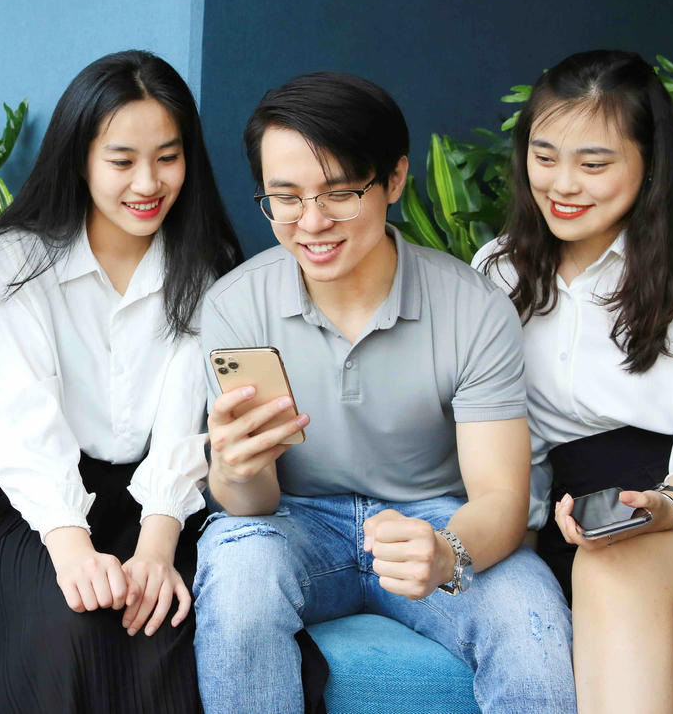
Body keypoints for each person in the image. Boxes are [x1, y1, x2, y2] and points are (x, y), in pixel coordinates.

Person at [194, 71, 576, 714]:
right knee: (238, 575)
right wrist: (233, 471)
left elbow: (501, 499)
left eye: (340, 193)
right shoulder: (236, 306)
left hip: (436, 519)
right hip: (294, 521)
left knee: (530, 620)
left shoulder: (473, 308)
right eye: (285, 198)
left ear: (395, 179)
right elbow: (253, 505)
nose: (312, 222)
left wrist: (448, 552)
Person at [475, 49, 673, 714]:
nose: (563, 184)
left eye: (594, 164)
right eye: (544, 156)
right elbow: (502, 438)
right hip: (581, 521)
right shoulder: (497, 272)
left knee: (617, 561)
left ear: (649, 162)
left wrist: (668, 508)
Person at [0, 49, 241, 713]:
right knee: (67, 629)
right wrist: (72, 550)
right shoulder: (22, 255)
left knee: (165, 628)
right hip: (38, 499)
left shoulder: (207, 263)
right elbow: (26, 415)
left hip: (161, 500)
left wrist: (157, 550)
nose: (148, 182)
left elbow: (184, 425)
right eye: (122, 160)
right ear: (80, 159)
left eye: (168, 157)